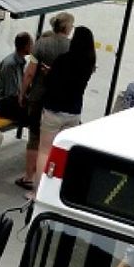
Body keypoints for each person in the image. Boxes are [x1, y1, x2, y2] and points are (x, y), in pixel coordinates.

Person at [36, 26, 96, 187]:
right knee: (64, 152)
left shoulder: (63, 59)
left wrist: (49, 72)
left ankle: (37, 191)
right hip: (74, 112)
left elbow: (51, 82)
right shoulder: (88, 64)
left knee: (45, 151)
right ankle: (56, 188)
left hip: (54, 110)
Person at [20, 11, 74, 190]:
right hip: (60, 100)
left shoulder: (41, 44)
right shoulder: (71, 47)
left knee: (34, 136)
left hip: (38, 96)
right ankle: (46, 178)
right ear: (67, 27)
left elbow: (29, 73)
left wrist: (22, 92)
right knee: (53, 141)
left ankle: (29, 176)